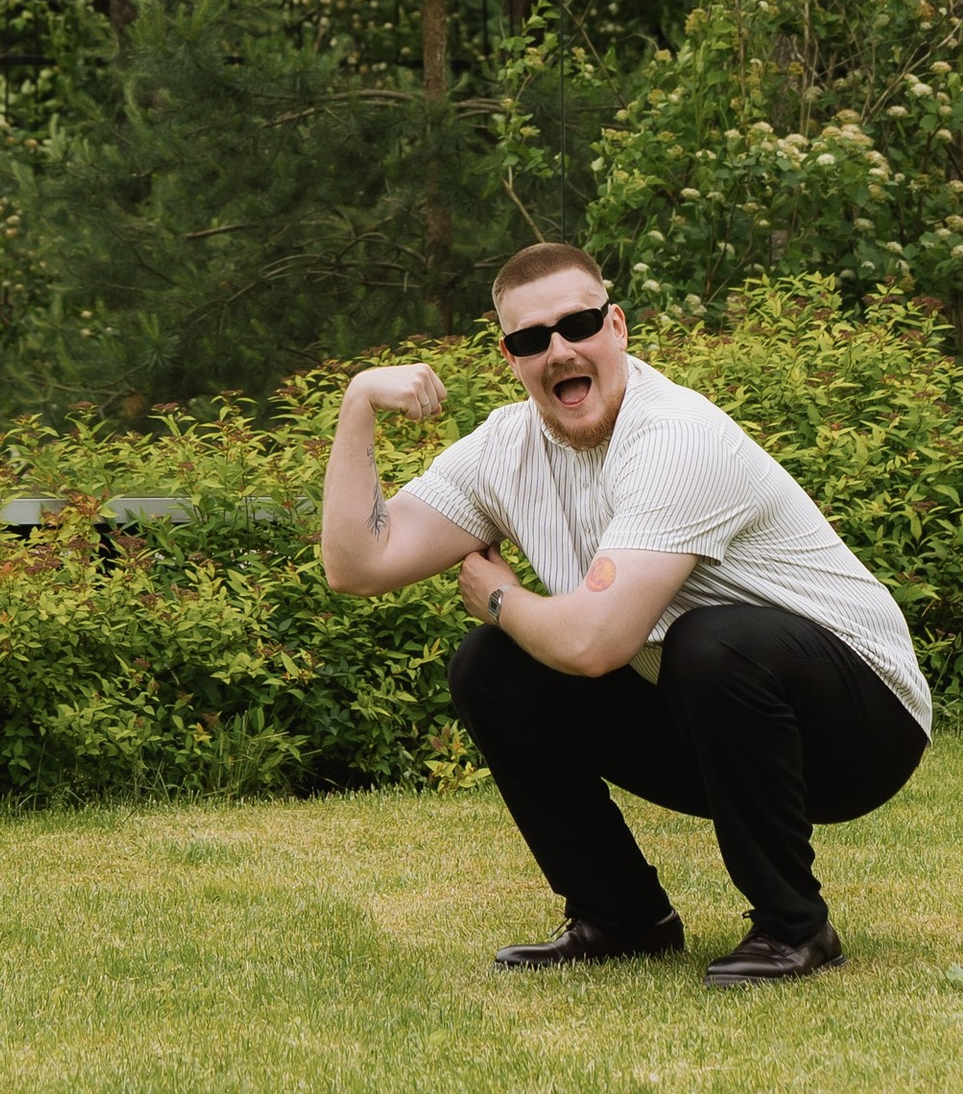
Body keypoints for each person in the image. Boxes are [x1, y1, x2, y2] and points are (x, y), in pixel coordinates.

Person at [318, 240, 930, 984]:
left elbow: (597, 644)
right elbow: (356, 565)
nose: (558, 350)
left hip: (864, 727)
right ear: (508, 354)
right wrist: (357, 404)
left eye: (577, 326)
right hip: (711, 719)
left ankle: (794, 927)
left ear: (618, 328)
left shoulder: (676, 437)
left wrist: (501, 599)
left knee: (711, 640)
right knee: (489, 667)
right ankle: (622, 916)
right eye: (531, 339)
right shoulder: (505, 449)